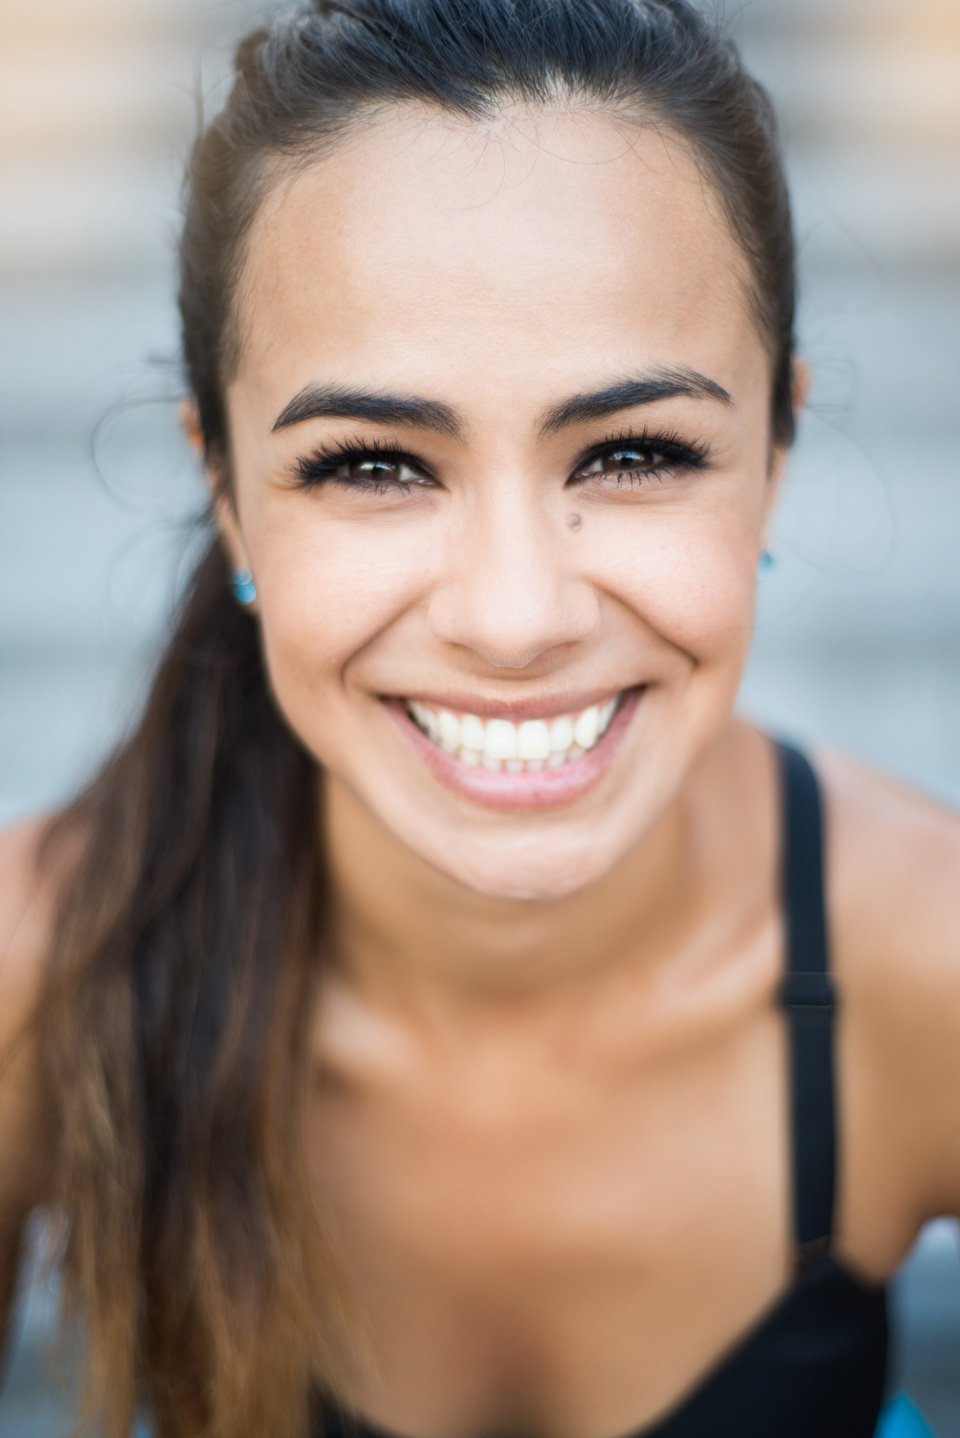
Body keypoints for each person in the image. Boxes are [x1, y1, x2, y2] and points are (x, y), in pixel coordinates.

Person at [0, 1, 957, 1435]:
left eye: (635, 452)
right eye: (375, 462)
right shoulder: (42, 966)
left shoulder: (925, 965)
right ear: (225, 490)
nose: (515, 617)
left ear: (776, 450)